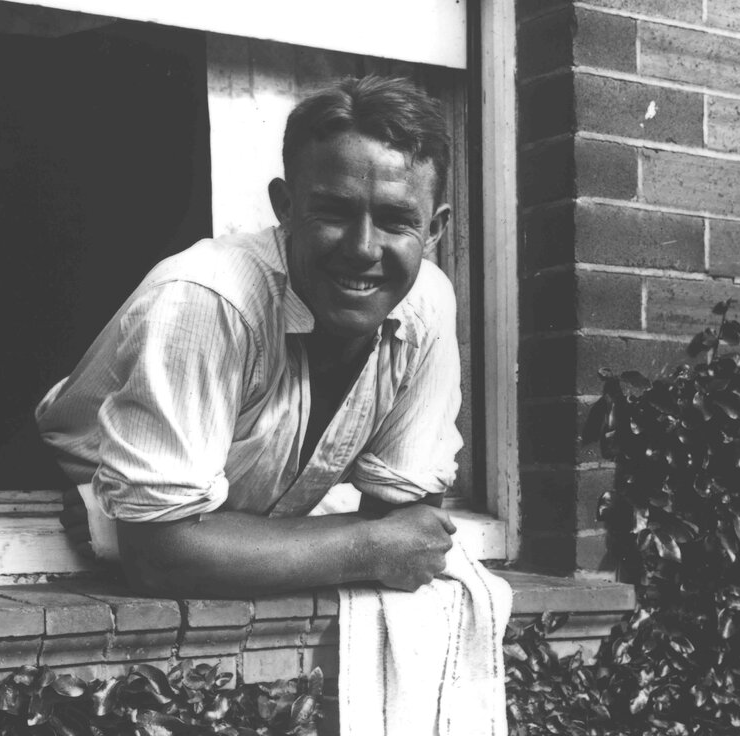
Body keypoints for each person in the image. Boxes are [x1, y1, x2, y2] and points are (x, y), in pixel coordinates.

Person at [36, 75, 462, 599]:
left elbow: (412, 533)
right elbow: (160, 561)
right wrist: (366, 545)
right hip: (46, 529)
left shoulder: (424, 303)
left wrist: (207, 542)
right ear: (285, 206)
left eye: (396, 221)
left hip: (200, 517)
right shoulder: (204, 298)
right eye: (334, 212)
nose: (362, 249)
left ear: (435, 230)